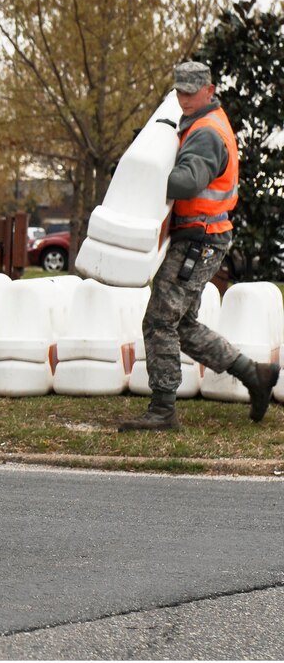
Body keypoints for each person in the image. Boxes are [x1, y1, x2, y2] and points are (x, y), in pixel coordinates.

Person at [119, 61, 279, 432]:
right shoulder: (202, 122)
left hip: (200, 238)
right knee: (182, 323)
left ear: (210, 90)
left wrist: (139, 174)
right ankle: (254, 374)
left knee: (160, 320)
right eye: (179, 91)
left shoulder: (206, 132)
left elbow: (189, 182)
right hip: (202, 235)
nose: (184, 98)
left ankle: (163, 411)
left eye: (191, 91)